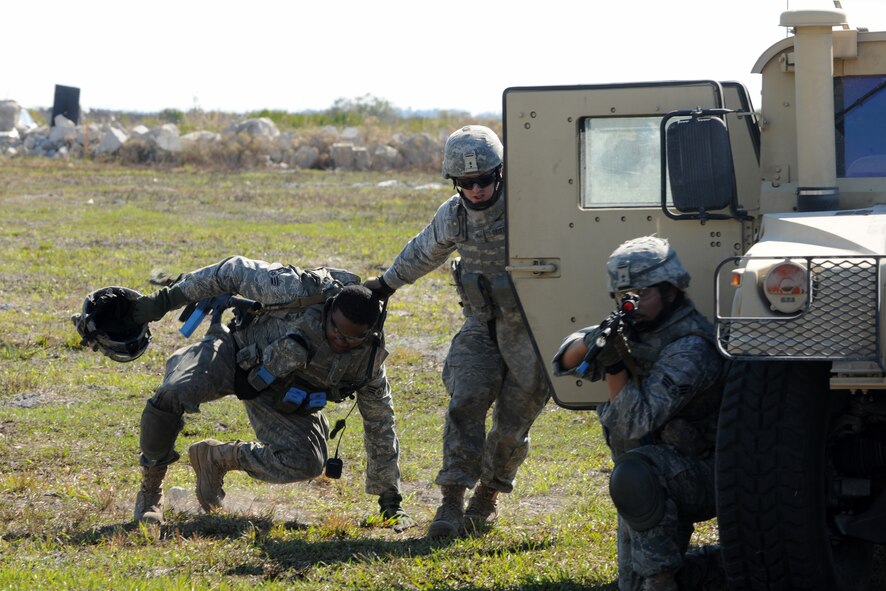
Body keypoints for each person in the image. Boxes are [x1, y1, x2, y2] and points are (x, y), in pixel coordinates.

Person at [81, 256, 411, 528]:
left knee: (308, 462)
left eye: (352, 339)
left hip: (283, 395)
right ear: (329, 310)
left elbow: (381, 423)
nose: (341, 341)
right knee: (171, 394)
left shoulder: (366, 363)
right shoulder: (296, 290)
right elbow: (232, 271)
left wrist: (389, 497)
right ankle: (151, 490)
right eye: (335, 331)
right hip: (236, 350)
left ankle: (216, 458)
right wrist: (161, 302)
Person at [364, 125, 552, 539]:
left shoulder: (529, 205)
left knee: (512, 424)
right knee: (464, 403)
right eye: (466, 183)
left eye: (484, 179)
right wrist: (385, 284)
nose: (477, 189)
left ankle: (487, 496)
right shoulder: (455, 214)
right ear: (454, 182)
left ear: (500, 173)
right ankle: (450, 501)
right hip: (481, 325)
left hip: (531, 331)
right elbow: (424, 250)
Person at [552, 236, 725, 591]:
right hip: (656, 472)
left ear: (671, 291)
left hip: (708, 474)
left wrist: (614, 363)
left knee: (635, 476)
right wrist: (594, 340)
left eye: (642, 293)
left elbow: (634, 421)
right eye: (623, 296)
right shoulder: (635, 330)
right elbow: (565, 361)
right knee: (628, 584)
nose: (631, 304)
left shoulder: (691, 347)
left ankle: (665, 580)